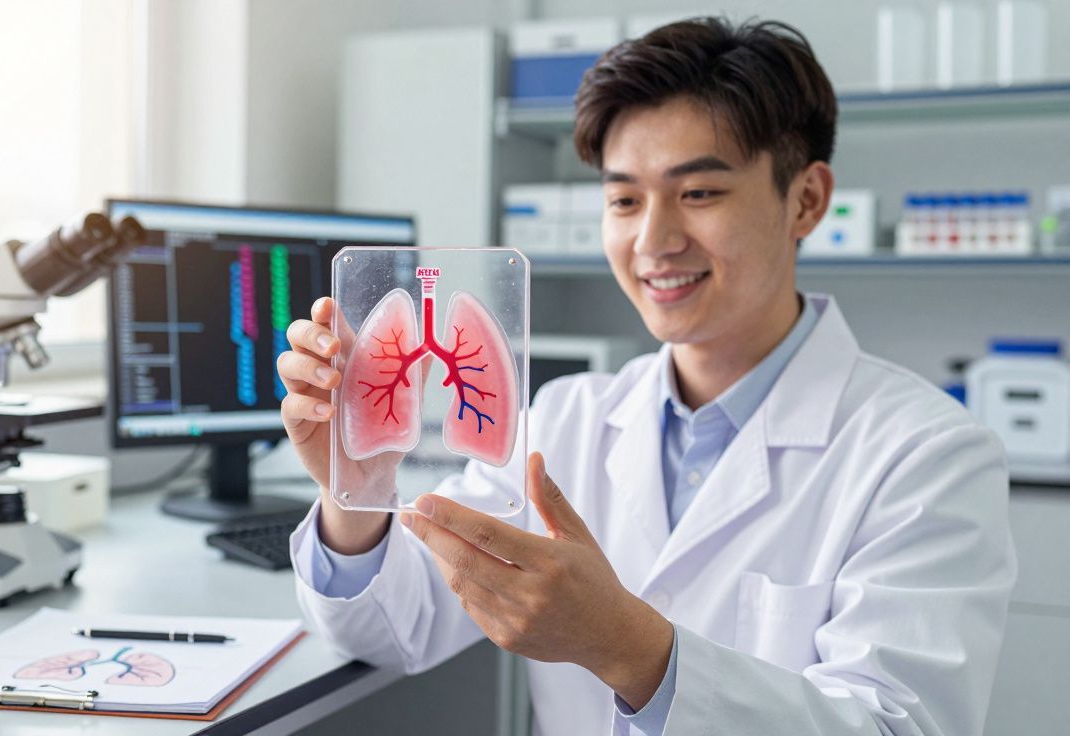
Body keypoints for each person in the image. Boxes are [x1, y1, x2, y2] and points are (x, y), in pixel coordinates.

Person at [275, 17, 1015, 736]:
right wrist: (358, 488)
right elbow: (398, 630)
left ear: (807, 200)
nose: (653, 241)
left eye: (698, 194)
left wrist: (627, 647)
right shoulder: (565, 419)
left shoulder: (926, 456)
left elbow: (899, 727)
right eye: (624, 199)